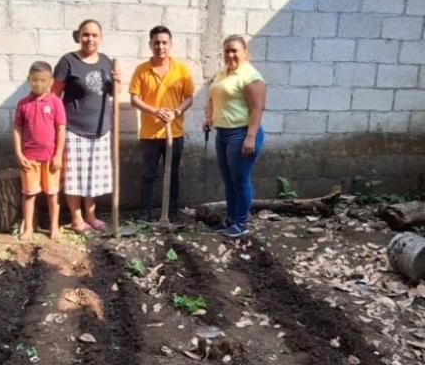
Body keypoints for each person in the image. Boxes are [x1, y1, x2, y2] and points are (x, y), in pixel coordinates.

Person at [52, 19, 119, 233]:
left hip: (100, 130)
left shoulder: (106, 62)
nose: (90, 39)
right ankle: (76, 218)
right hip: (74, 129)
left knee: (93, 176)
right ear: (78, 36)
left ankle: (91, 215)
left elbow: (112, 95)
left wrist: (118, 82)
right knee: (74, 177)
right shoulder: (68, 62)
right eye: (85, 34)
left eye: (94, 35)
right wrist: (56, 127)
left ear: (101, 38)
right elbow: (54, 96)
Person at [128, 25, 195, 223]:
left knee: (172, 174)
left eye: (164, 42)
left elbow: (189, 97)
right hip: (149, 134)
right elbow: (134, 99)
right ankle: (145, 213)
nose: (160, 46)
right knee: (148, 174)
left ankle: (171, 212)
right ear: (150, 45)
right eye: (156, 42)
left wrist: (176, 112)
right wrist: (155, 111)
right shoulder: (142, 70)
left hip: (174, 133)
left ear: (171, 45)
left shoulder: (181, 70)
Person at [203, 35, 267, 238]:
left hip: (241, 133)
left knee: (240, 180)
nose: (230, 54)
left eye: (234, 51)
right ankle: (231, 219)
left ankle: (241, 223)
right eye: (227, 51)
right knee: (228, 180)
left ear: (245, 53)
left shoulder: (250, 76)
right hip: (222, 133)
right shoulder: (223, 73)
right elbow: (213, 97)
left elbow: (257, 108)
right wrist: (209, 118)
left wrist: (250, 137)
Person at [13, 61, 67, 240]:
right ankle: (28, 227)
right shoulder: (23, 104)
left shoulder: (55, 102)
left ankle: (54, 226)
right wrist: (19, 154)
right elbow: (17, 129)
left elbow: (61, 129)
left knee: (52, 194)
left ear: (51, 81)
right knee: (29, 194)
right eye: (35, 80)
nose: (39, 84)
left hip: (51, 159)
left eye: (43, 80)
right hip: (30, 159)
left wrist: (58, 155)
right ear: (29, 80)